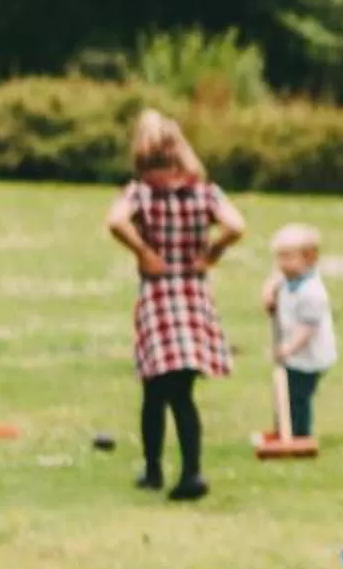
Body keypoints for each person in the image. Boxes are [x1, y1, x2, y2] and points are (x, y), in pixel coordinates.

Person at [104, 111, 244, 501]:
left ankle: (164, 472)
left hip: (158, 299)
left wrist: (144, 252)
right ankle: (183, 469)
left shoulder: (140, 193)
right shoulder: (205, 193)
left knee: (157, 389)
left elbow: (116, 222)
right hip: (193, 298)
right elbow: (236, 225)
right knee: (180, 389)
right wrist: (212, 252)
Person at [260, 223, 337, 441]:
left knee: (297, 396)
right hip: (294, 355)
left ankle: (299, 434)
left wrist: (288, 348)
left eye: (288, 257)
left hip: (309, 357)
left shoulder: (312, 292)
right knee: (282, 391)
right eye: (279, 257)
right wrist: (268, 294)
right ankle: (283, 429)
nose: (281, 263)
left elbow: (308, 328)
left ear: (310, 258)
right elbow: (272, 284)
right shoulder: (287, 279)